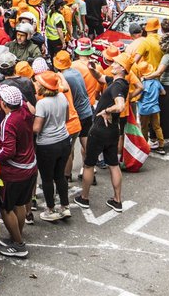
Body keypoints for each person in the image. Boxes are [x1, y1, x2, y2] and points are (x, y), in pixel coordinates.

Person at [76, 55, 131, 212]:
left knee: (89, 164)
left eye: (116, 63)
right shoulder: (119, 82)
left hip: (100, 129)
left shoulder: (116, 87)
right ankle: (117, 200)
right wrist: (92, 69)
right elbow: (100, 77)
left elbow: (120, 106)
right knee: (113, 164)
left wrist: (106, 110)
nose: (112, 64)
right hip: (113, 130)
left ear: (122, 68)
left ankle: (84, 198)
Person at [0, 84, 36, 258]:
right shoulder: (25, 110)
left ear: (3, 104)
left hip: (14, 172)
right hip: (29, 166)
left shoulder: (8, 122)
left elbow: (8, 152)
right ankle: (16, 235)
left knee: (6, 208)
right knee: (20, 204)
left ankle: (18, 244)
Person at [33, 73, 73, 221]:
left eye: (38, 83)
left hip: (47, 145)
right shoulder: (62, 97)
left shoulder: (42, 104)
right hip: (64, 141)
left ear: (44, 86)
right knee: (60, 176)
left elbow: (37, 129)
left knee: (47, 179)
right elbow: (67, 118)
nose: (36, 84)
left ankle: (50, 209)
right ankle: (65, 206)